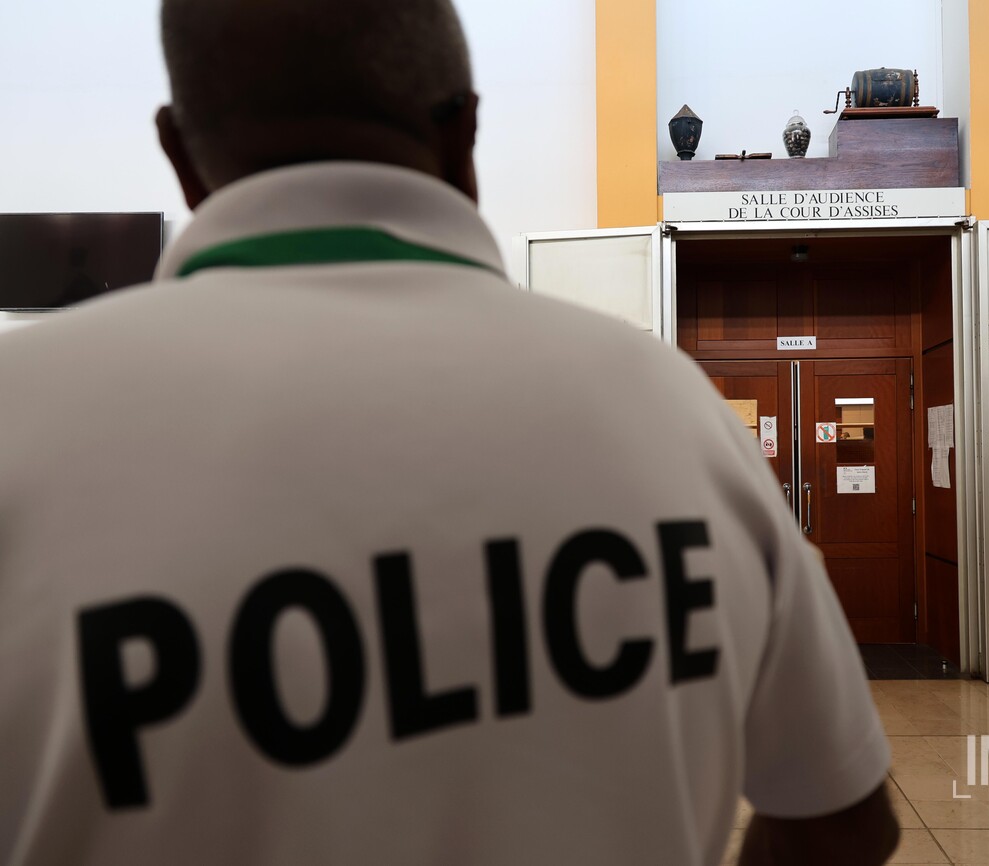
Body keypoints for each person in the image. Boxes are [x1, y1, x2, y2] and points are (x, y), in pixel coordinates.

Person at [0, 1, 898, 864]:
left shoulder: (22, 419)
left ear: (178, 150)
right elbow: (843, 824)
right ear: (463, 132)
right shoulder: (672, 410)